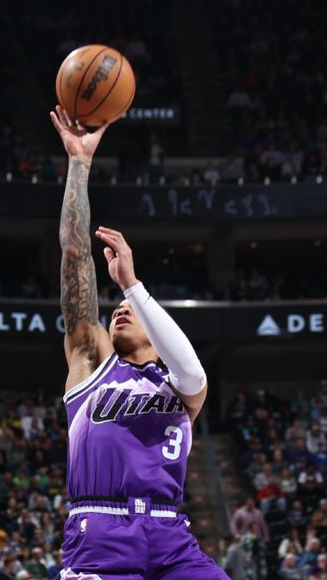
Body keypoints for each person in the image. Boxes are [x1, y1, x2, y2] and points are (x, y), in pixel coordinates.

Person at [49, 106, 228, 579]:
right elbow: (74, 254)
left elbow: (192, 369)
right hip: (100, 532)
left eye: (131, 309)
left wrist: (133, 287)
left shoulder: (183, 390)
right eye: (114, 313)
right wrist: (79, 164)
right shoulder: (92, 363)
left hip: (172, 537)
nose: (119, 311)